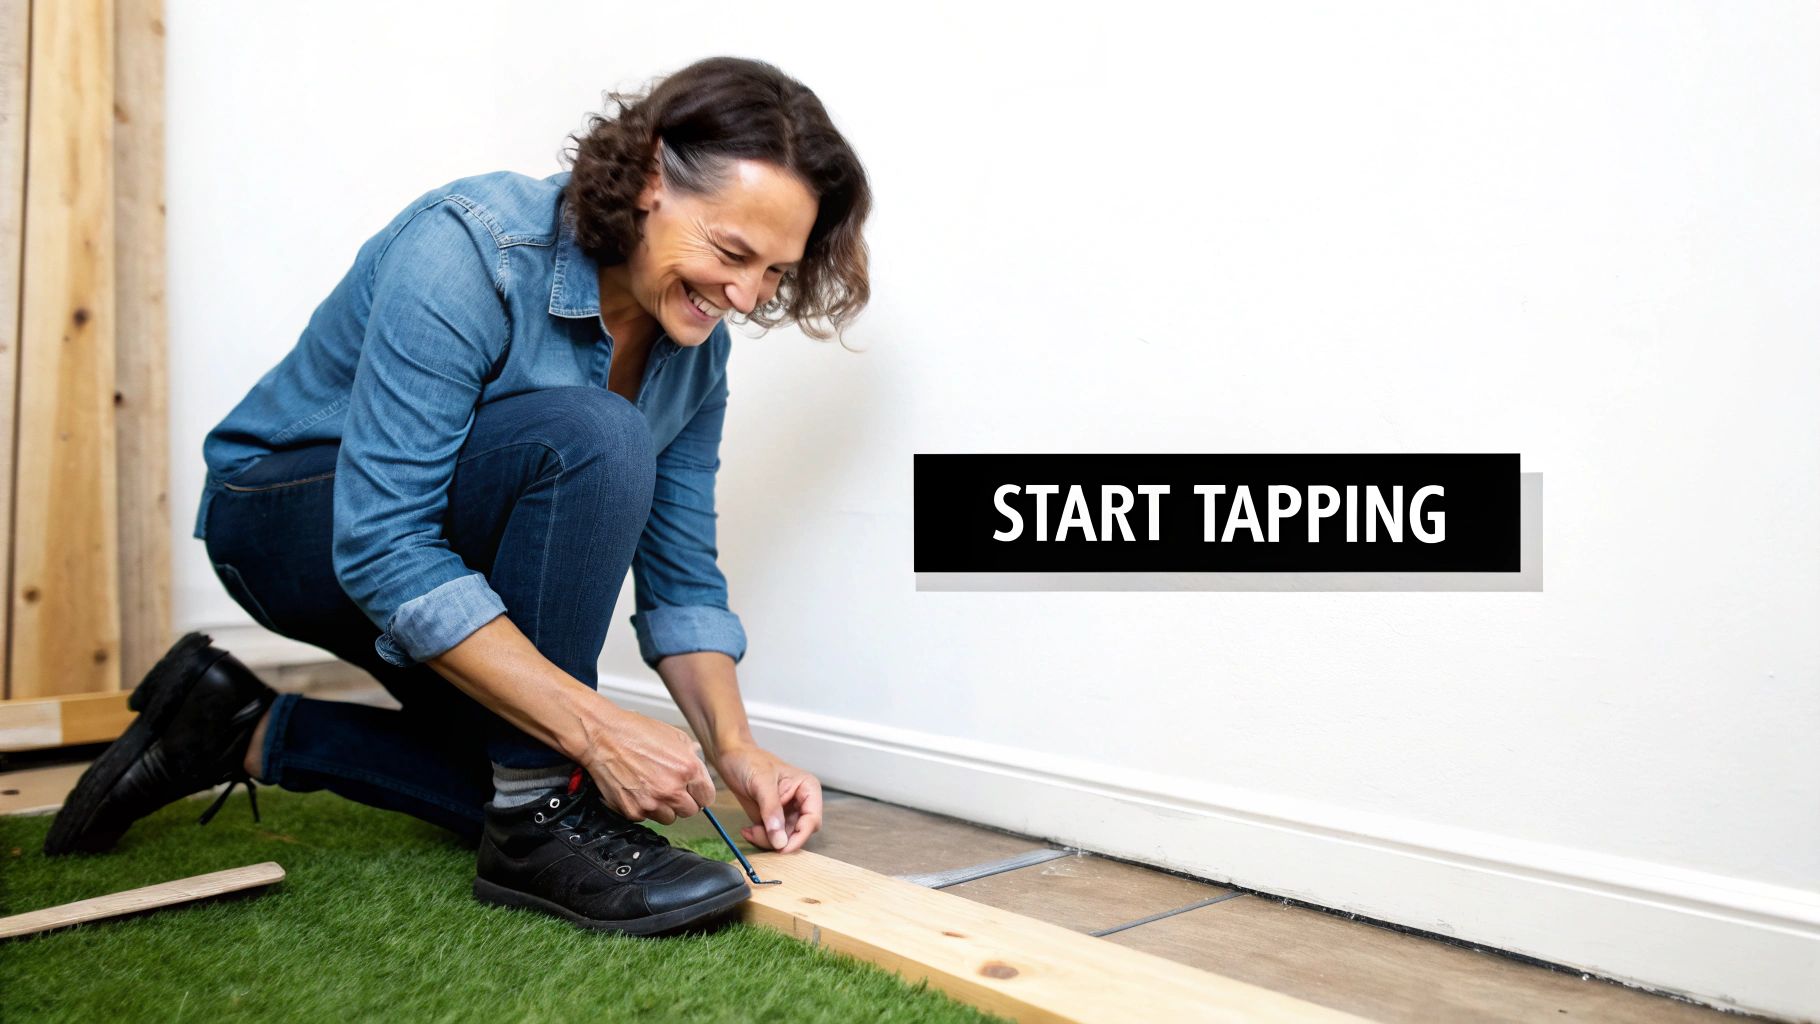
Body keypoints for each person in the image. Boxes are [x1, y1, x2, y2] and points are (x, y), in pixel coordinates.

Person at [45, 56, 873, 936]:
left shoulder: (697, 349)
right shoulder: (470, 246)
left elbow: (680, 577)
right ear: (651, 178)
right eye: (731, 252)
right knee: (597, 442)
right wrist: (590, 728)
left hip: (433, 549)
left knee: (554, 777)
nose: (744, 296)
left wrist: (732, 745)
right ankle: (538, 812)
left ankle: (235, 725)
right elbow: (382, 540)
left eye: (775, 273)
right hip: (292, 523)